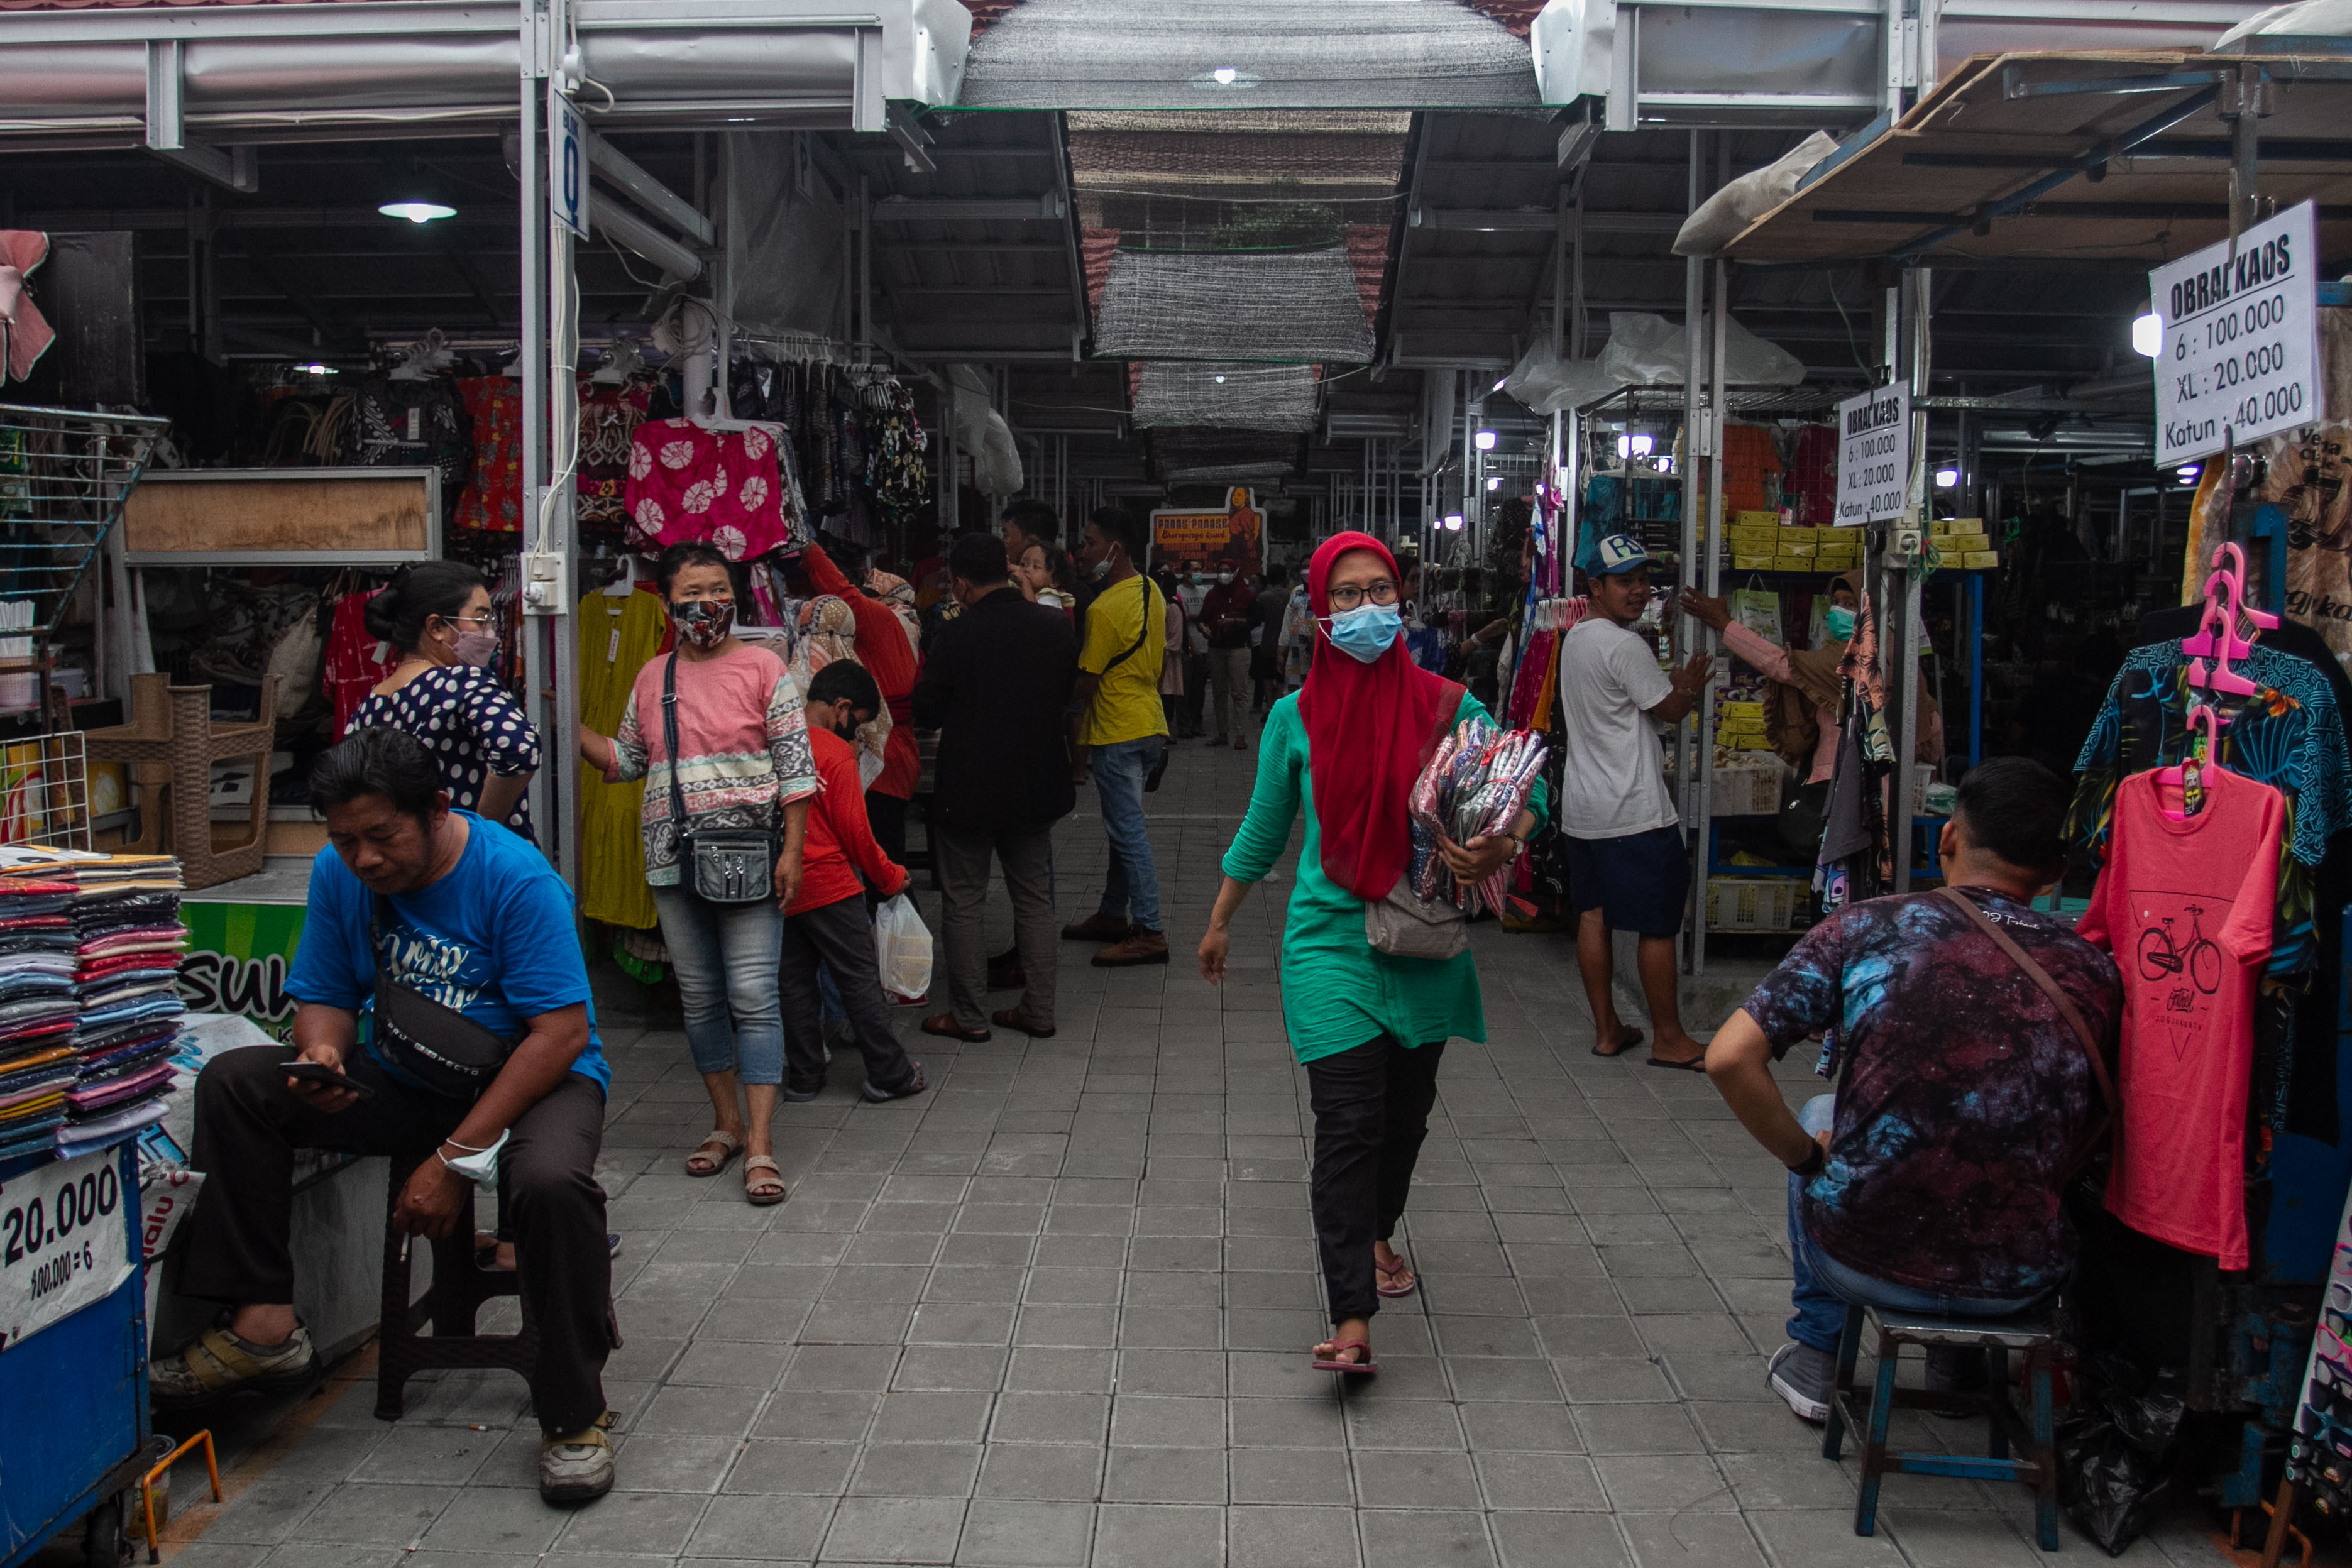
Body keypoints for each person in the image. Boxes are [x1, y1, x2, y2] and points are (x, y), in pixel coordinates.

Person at [160, 728, 618, 1503]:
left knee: (547, 1182)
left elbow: (561, 1033)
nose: (364, 858)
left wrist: (447, 1161)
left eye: (380, 836)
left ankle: (575, 1413)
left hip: (536, 1079)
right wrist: (325, 1056)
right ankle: (263, 1322)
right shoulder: (343, 875)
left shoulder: (513, 876)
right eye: (344, 840)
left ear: (437, 807)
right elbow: (326, 992)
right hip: (413, 1070)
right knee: (239, 1081)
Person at [1199, 531, 1542, 1373]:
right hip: (1325, 941)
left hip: (1420, 939)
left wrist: (1502, 846)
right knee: (1348, 1123)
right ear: (1318, 612)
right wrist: (1217, 921)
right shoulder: (1293, 717)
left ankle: (1378, 1230)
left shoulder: (1447, 705)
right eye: (1345, 595)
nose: (1363, 609)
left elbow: (1519, 794)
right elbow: (1262, 831)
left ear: (1402, 598)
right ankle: (1349, 1315)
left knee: (1404, 1118)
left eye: (1378, 590)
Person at [1702, 757, 2120, 1421]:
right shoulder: (2094, 971)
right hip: (2019, 1277)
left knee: (1818, 1114)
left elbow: (1728, 1057)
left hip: (1865, 1256)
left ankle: (1816, 1354)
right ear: (2054, 873)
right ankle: (1958, 1367)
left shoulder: (1866, 928)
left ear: (1947, 838)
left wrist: (1811, 1161)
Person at [578, 541, 816, 1206]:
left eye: (718, 588)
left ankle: (762, 1143)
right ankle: (727, 1124)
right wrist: (565, 720)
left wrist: (791, 852)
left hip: (750, 858)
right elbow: (626, 759)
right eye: (692, 592)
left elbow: (797, 774)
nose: (706, 603)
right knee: (701, 997)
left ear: (735, 596)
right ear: (668, 601)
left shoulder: (765, 667)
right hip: (671, 860)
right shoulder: (654, 676)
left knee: (753, 996)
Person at [1556, 533, 1713, 1068]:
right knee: (1657, 923)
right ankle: (1669, 1038)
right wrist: (1689, 688)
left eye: (1644, 580)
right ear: (1594, 586)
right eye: (1626, 581)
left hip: (1584, 809)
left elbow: (1627, 703)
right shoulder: (1625, 645)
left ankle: (1608, 1029)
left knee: (1595, 915)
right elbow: (1668, 709)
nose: (1639, 590)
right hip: (1634, 810)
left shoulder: (1578, 638)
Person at [913, 532, 1078, 1040]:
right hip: (1037, 784)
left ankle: (969, 1016)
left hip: (969, 790)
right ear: (1006, 572)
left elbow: (926, 711)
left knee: (964, 900)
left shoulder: (956, 636)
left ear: (961, 584)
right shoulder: (1055, 626)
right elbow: (1064, 695)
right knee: (1034, 899)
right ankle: (1039, 1010)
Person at [779, 658, 928, 1102]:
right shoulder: (832, 751)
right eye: (857, 723)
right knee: (859, 979)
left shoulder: (779, 742)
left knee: (794, 983)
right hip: (829, 882)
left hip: (784, 886)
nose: (856, 734)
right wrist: (891, 876)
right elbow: (857, 833)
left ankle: (804, 1076)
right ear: (841, 706)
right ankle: (890, 1072)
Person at [1678, 571, 1943, 789]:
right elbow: (1930, 722)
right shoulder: (1892, 649)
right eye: (1836, 602)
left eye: (1849, 604)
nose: (1838, 610)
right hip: (1876, 779)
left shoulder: (1867, 651)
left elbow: (1783, 666)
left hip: (1844, 780)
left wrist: (1726, 625)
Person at [345, 559, 540, 840]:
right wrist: (477, 835)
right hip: (481, 871)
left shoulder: (370, 705)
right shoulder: (464, 683)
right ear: (436, 627)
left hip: (411, 867)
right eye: (481, 619)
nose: (491, 632)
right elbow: (520, 749)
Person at [1063, 507, 1170, 967]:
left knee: (1128, 831)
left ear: (1115, 548)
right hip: (1150, 723)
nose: (1082, 552)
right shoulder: (1152, 591)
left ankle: (1149, 930)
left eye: (1089, 542)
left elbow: (1086, 681)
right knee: (1122, 829)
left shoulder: (1104, 608)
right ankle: (1112, 913)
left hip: (1116, 728)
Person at [800, 541, 920, 864]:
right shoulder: (903, 626)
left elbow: (845, 595)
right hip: (894, 761)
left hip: (884, 765)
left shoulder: (880, 618)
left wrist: (808, 549)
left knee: (881, 864)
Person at [1199, 553, 1255, 749]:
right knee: (1219, 693)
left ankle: (1241, 735)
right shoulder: (1212, 595)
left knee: (1239, 693)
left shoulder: (1246, 595)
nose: (1224, 575)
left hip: (1239, 648)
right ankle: (1222, 733)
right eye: (1220, 571)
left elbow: (1255, 620)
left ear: (1235, 573)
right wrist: (1203, 627)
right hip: (1216, 647)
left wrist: (1235, 622)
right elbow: (1202, 618)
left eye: (1227, 571)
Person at [1251, 563, 1290, 711]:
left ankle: (1269, 706)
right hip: (1285, 642)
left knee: (1267, 676)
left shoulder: (1263, 597)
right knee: (1281, 677)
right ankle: (1278, 707)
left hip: (1267, 641)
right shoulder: (1290, 595)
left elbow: (1259, 620)